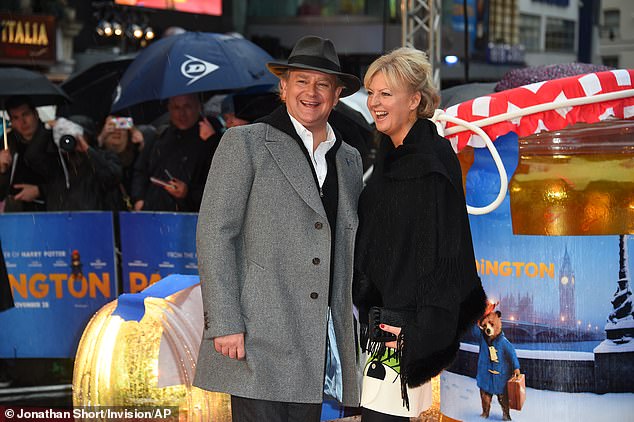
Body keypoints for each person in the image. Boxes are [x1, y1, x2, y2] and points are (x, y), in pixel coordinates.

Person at [193, 35, 364, 422]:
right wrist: (225, 322)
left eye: (323, 84)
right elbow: (215, 235)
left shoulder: (350, 160)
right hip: (256, 337)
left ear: (337, 95)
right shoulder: (245, 143)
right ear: (283, 87)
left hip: (315, 344)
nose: (311, 92)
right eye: (301, 81)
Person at [353, 47, 487, 421]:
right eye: (372, 93)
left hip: (400, 328)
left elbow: (436, 254)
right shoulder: (399, 155)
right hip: (393, 321)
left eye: (386, 94)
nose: (375, 103)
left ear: (414, 100)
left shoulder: (424, 164)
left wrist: (403, 323)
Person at [130, 93, 220, 212]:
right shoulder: (159, 136)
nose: (182, 113)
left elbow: (218, 188)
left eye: (187, 106)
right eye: (176, 107)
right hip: (153, 214)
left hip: (191, 219)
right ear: (169, 109)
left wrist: (188, 193)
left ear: (198, 107)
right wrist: (139, 199)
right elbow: (140, 171)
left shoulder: (211, 139)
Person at [0, 96, 51, 212]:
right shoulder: (6, 143)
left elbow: (71, 182)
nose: (22, 122)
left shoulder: (53, 140)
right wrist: (2, 170)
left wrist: (39, 191)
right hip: (15, 214)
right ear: (11, 121)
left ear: (35, 114)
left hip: (48, 213)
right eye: (16, 118)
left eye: (25, 114)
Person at [97, 115, 156, 210]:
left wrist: (136, 133)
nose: (117, 130)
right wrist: (100, 139)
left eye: (121, 125)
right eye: (111, 126)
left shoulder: (136, 158)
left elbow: (151, 135)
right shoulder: (99, 156)